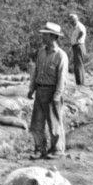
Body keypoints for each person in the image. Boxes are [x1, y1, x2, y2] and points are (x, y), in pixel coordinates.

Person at [27, 22, 68, 160]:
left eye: (45, 34)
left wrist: (57, 95)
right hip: (40, 90)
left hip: (52, 92)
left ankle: (57, 149)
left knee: (54, 122)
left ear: (52, 36)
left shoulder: (61, 56)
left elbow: (62, 78)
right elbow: (36, 72)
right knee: (37, 123)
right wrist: (31, 89)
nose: (43, 37)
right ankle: (40, 149)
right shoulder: (41, 53)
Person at [69, 13, 87, 86]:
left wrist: (77, 39)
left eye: (72, 21)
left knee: (78, 65)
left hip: (79, 46)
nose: (71, 23)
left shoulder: (80, 26)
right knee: (78, 65)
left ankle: (80, 83)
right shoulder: (76, 26)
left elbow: (82, 32)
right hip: (76, 46)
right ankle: (80, 82)